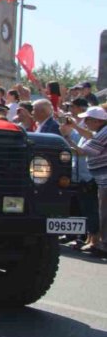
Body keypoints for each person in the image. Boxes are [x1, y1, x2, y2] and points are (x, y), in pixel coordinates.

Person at [60, 106, 107, 256]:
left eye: (87, 119)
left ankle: (102, 245)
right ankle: (98, 242)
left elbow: (81, 151)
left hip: (102, 179)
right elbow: (89, 135)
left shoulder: (103, 133)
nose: (84, 122)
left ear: (97, 121)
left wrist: (66, 138)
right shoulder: (101, 131)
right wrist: (74, 126)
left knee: (102, 212)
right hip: (99, 178)